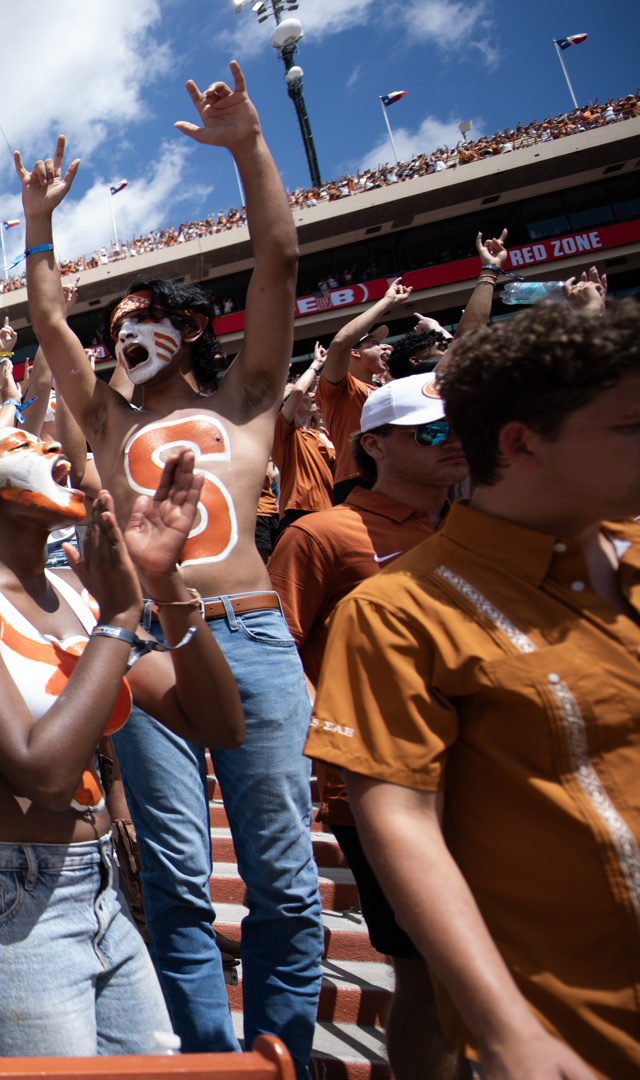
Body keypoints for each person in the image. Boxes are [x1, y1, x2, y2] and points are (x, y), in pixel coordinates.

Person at [18, 64, 323, 1068]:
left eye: (142, 317)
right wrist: (39, 228)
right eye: (114, 329)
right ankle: (206, 1056)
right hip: (148, 645)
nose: (120, 336)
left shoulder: (247, 398)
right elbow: (51, 324)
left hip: (251, 636)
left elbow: (277, 257)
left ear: (191, 326)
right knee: (181, 880)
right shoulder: (103, 420)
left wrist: (248, 147)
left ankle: (280, 1051)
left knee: (282, 880)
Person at [305, 300, 640, 1079]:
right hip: (578, 1025)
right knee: (413, 973)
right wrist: (502, 1023)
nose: (446, 442)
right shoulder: (391, 604)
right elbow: (399, 816)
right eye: (626, 426)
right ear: (521, 443)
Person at [0, 430, 242, 1056]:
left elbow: (217, 723)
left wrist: (163, 583)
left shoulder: (82, 597)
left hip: (97, 884)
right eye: (21, 440)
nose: (53, 445)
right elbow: (45, 775)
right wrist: (119, 621)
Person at [269, 372, 469, 1080]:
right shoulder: (322, 534)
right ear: (374, 444)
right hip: (385, 792)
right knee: (428, 970)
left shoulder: (486, 529)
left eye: (460, 428)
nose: (456, 444)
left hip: (492, 778)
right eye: (434, 431)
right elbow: (278, 654)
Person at [318, 279, 409, 503]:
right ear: (355, 352)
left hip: (394, 474)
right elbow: (340, 343)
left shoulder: (383, 388)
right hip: (356, 479)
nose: (384, 347)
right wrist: (387, 302)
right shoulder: (340, 386)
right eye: (374, 343)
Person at [272, 354, 334, 535]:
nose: (312, 395)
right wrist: (316, 364)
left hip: (330, 510)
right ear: (289, 403)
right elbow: (298, 390)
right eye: (308, 393)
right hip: (300, 510)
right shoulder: (284, 431)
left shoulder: (320, 436)